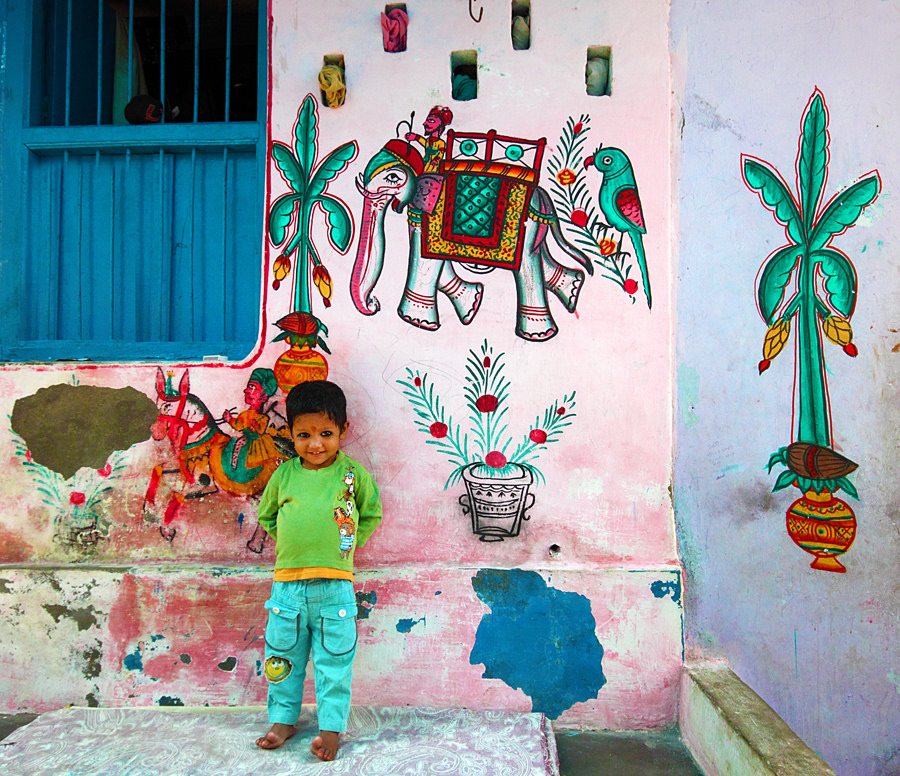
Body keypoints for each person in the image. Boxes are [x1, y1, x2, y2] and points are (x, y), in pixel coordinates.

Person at [254, 380, 383, 761]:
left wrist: (345, 544)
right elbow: (268, 515)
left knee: (334, 663)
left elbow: (371, 513)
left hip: (335, 590)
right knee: (282, 658)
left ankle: (330, 730)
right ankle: (282, 720)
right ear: (290, 434)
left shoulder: (352, 475)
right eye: (304, 434)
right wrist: (294, 544)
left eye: (326, 433)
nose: (315, 444)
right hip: (287, 589)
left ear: (343, 430)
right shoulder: (285, 475)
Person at [404, 105, 453, 173]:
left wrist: (436, 160)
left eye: (431, 121)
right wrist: (415, 137)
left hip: (433, 165)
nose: (425, 123)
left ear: (440, 126)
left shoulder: (441, 143)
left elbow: (441, 153)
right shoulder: (428, 140)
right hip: (425, 161)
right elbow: (423, 141)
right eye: (427, 120)